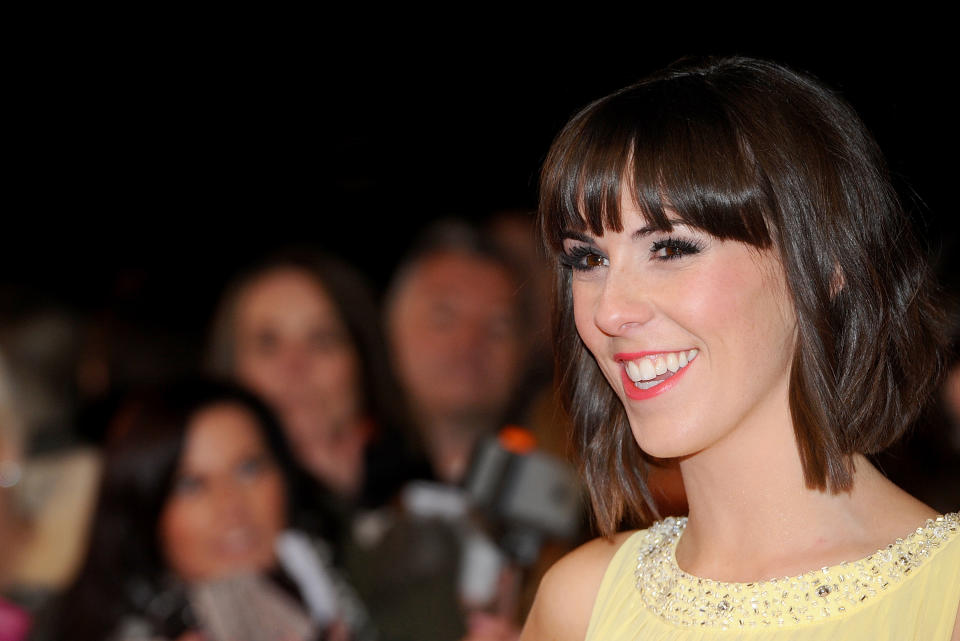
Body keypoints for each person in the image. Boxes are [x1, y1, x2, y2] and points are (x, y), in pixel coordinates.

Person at [521, 57, 959, 641]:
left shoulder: (946, 598)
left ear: (826, 263)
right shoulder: (580, 603)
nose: (609, 311)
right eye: (589, 259)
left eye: (671, 248)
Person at [52, 380, 372, 641]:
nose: (232, 505)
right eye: (191, 485)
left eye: (248, 469)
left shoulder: (336, 579)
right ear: (145, 513)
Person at [208, 251, 428, 510]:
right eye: (268, 343)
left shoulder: (424, 499)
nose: (295, 366)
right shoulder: (186, 503)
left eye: (321, 340)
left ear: (362, 363)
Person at [385, 221, 526, 484]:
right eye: (444, 316)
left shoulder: (559, 496)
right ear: (391, 326)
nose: (470, 341)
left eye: (498, 326)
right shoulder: (342, 483)